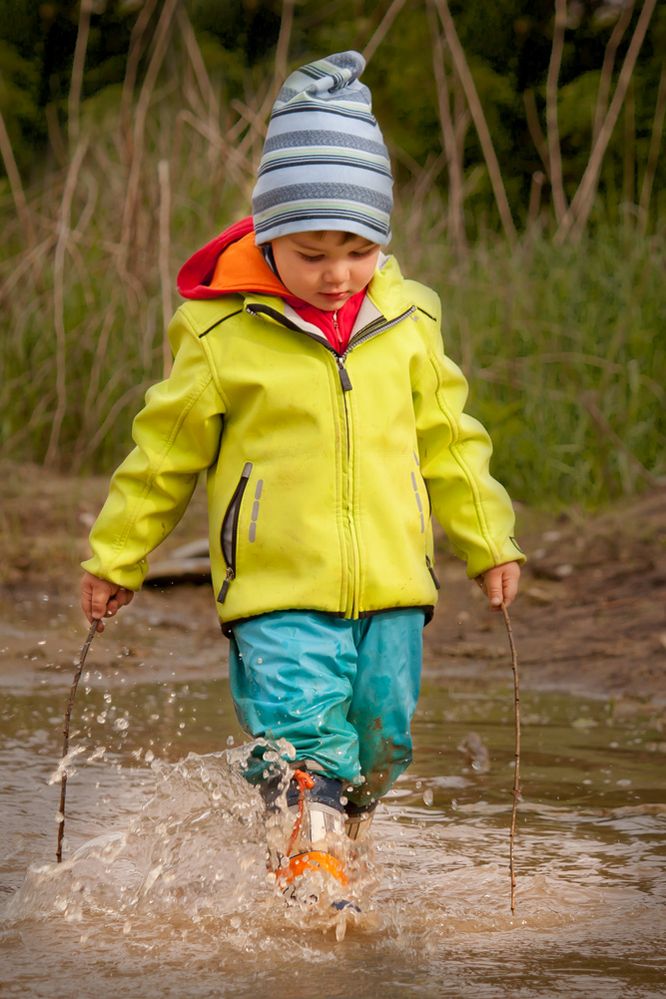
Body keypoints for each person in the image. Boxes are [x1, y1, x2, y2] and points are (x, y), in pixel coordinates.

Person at [80, 51, 524, 903]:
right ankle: (313, 882)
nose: (336, 273)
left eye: (357, 250)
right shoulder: (223, 335)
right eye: (311, 251)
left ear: (382, 240)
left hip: (393, 583)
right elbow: (161, 455)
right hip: (276, 589)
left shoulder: (408, 321)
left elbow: (452, 442)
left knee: (381, 741)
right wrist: (116, 556)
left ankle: (331, 843)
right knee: (306, 737)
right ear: (266, 236)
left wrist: (488, 542)